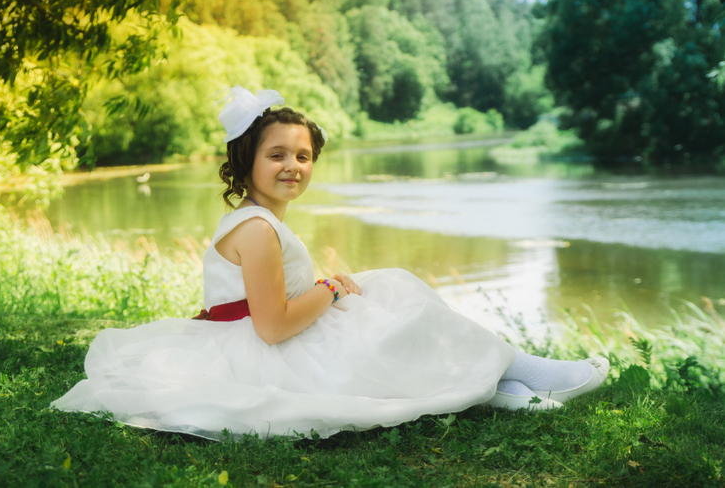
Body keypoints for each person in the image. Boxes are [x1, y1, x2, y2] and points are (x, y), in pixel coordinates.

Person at [52, 86, 609, 440]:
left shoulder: (258, 219)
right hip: (266, 351)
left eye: (303, 155)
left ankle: (504, 384)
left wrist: (330, 287)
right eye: (277, 155)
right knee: (392, 307)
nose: (293, 166)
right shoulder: (257, 229)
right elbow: (272, 327)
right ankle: (521, 374)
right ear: (246, 162)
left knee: (391, 287)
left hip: (268, 334)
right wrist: (332, 291)